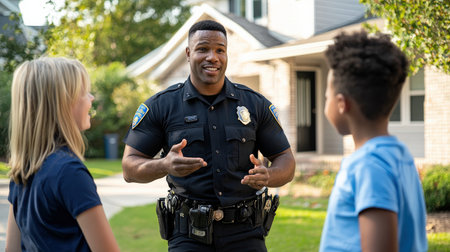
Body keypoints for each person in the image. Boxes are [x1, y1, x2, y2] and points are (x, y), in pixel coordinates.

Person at [122, 20, 295, 251]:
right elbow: (129, 168)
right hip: (188, 236)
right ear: (188, 53)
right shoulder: (161, 106)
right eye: (203, 48)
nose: (212, 57)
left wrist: (269, 176)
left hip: (245, 234)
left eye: (220, 50)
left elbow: (287, 161)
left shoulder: (255, 105)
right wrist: (165, 165)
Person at [319, 31, 428, 251]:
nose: (325, 100)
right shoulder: (399, 154)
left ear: (342, 104)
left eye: (326, 96)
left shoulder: (369, 165)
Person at [6, 57, 120, 252]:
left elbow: (12, 249)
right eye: (84, 92)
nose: (91, 98)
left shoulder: (21, 173)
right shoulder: (69, 172)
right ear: (63, 103)